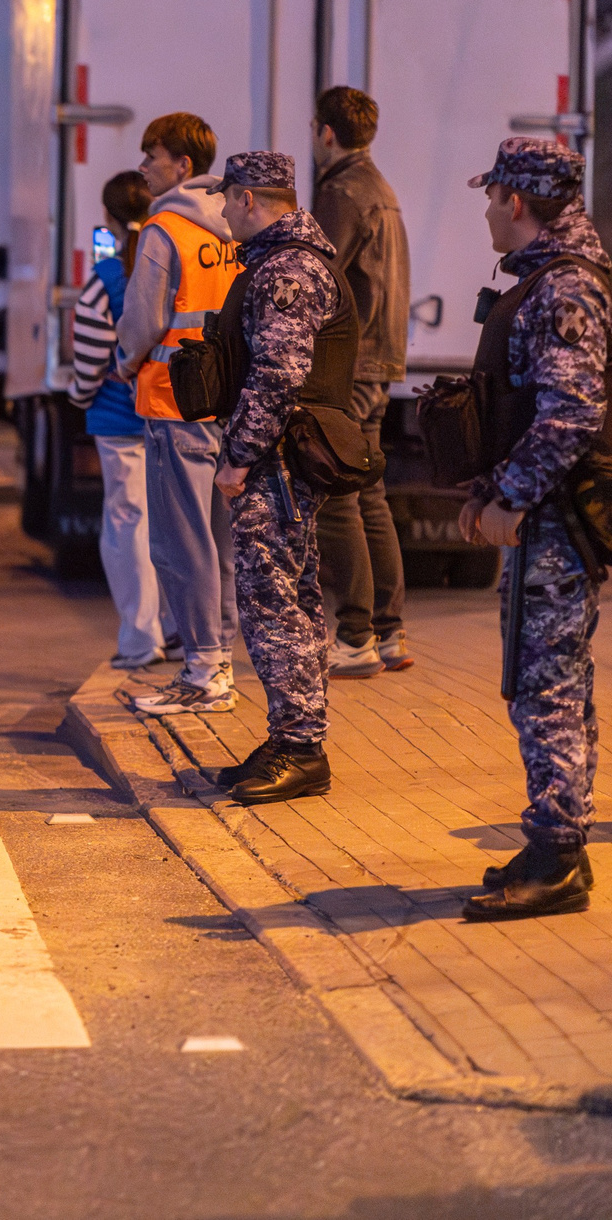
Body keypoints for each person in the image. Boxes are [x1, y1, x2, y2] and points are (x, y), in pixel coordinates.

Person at [457, 138, 612, 923]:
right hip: (542, 518)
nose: (487, 209)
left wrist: (510, 500)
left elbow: (571, 417)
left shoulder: (563, 291)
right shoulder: (552, 282)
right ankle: (552, 837)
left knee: (546, 688)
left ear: (516, 203)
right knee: (547, 682)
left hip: (554, 525)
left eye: (492, 197)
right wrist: (491, 489)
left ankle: (559, 859)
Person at [203, 152, 352, 805]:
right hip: (285, 456)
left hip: (278, 460)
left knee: (272, 605)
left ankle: (300, 748)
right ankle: (291, 735)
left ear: (247, 198)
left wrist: (238, 455)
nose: (222, 212)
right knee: (296, 599)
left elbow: (277, 375)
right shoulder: (286, 260)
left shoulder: (287, 270)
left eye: (227, 199)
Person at [120, 114, 245, 718]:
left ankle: (202, 670)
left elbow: (143, 321)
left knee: (178, 543)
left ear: (183, 168)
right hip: (227, 406)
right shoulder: (236, 227)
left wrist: (124, 362)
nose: (144, 165)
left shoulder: (163, 229)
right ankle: (217, 662)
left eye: (153, 155)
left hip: (174, 401)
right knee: (218, 543)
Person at [307, 88, 411, 679]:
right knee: (369, 494)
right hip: (384, 358)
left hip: (353, 364)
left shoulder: (342, 192)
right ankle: (390, 632)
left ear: (326, 133)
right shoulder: (381, 188)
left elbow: (320, 276)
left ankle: (353, 636)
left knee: (336, 494)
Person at [69, 171, 165, 671]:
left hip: (116, 419)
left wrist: (79, 395)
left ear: (107, 217)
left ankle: (139, 639)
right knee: (172, 526)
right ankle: (177, 628)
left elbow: (88, 361)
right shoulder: (163, 268)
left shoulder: (103, 282)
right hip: (168, 417)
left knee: (128, 527)